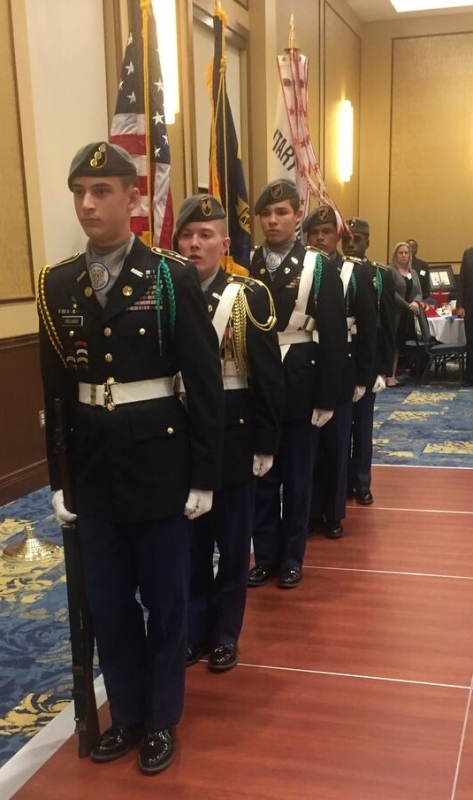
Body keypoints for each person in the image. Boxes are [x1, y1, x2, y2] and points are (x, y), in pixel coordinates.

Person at [37, 142, 224, 775]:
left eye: (101, 192)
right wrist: (58, 479)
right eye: (79, 193)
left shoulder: (170, 276)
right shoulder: (57, 282)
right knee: (109, 603)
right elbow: (55, 392)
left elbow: (204, 384)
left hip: (160, 465)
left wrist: (205, 476)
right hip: (93, 468)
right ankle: (128, 712)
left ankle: (162, 718)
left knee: (166, 602)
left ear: (133, 198)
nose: (87, 205)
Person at [174, 194, 284, 671]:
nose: (194, 244)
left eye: (205, 235)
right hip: (180, 436)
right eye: (186, 236)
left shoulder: (247, 296)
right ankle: (195, 628)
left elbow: (267, 376)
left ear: (224, 242)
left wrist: (266, 443)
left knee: (233, 543)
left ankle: (225, 633)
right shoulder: (163, 294)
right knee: (189, 545)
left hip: (233, 436)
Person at [247, 181, 347, 588]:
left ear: (297, 215)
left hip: (301, 386)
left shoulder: (317, 266)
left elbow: (334, 335)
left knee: (298, 478)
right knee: (261, 477)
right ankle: (265, 556)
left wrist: (328, 397)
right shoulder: (246, 263)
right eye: (266, 214)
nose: (272, 221)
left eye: (282, 213)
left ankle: (292, 557)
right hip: (256, 386)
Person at [304, 206, 377, 538]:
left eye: (326, 232)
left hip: (342, 369)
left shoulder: (353, 272)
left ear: (337, 237)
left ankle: (332, 513)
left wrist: (363, 378)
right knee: (308, 451)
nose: (320, 237)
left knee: (335, 447)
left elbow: (368, 328)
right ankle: (308, 510)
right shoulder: (300, 269)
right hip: (305, 368)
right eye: (314, 232)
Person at [342, 218, 396, 505]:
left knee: (363, 428)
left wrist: (384, 370)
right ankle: (340, 483)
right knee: (339, 431)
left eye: (357, 240)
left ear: (368, 242)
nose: (351, 245)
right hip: (341, 362)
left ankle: (361, 482)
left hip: (369, 361)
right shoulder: (333, 270)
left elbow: (386, 325)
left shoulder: (379, 276)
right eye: (346, 240)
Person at [387, 241, 422, 387]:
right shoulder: (391, 271)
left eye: (406, 253)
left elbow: (419, 292)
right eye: (400, 253)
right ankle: (388, 377)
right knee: (391, 344)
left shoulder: (413, 273)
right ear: (395, 255)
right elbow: (392, 293)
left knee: (398, 345)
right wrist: (407, 305)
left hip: (407, 315)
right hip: (394, 314)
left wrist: (416, 302)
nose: (403, 255)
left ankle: (392, 375)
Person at [456, 246, 473, 387]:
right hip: (470, 306)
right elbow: (461, 281)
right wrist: (460, 305)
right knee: (471, 342)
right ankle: (470, 376)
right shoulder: (468, 254)